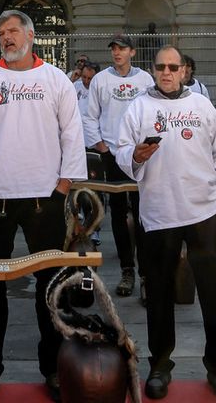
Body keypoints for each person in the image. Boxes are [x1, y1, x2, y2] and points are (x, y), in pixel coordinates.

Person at [0, 9, 85, 403]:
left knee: (51, 288)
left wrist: (63, 186)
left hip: (46, 199)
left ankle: (54, 367)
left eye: (12, 31)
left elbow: (71, 133)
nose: (6, 37)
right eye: (1, 33)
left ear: (30, 35)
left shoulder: (55, 79)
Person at [116, 45, 216, 402]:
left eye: (174, 67)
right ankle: (159, 365)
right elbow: (123, 149)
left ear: (184, 70)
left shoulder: (201, 105)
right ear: (153, 70)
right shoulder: (139, 107)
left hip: (203, 211)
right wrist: (134, 155)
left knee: (212, 293)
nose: (167, 72)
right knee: (160, 294)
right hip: (159, 212)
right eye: (160, 67)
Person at [81, 32, 152, 297]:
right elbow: (90, 117)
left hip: (139, 155)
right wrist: (101, 146)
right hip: (113, 156)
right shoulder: (100, 80)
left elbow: (152, 113)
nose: (117, 52)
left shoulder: (145, 79)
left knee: (144, 215)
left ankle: (146, 273)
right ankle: (127, 270)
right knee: (119, 216)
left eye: (122, 48)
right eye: (114, 49)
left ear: (132, 52)